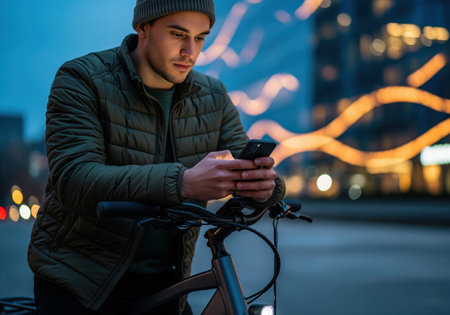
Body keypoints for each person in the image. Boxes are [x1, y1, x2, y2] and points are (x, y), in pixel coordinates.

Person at [28, 0, 285, 314]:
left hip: (169, 283)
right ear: (143, 27)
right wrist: (184, 182)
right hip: (80, 279)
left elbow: (244, 163)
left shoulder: (213, 96)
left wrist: (265, 186)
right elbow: (74, 179)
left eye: (201, 37)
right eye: (178, 34)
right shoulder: (82, 79)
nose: (190, 51)